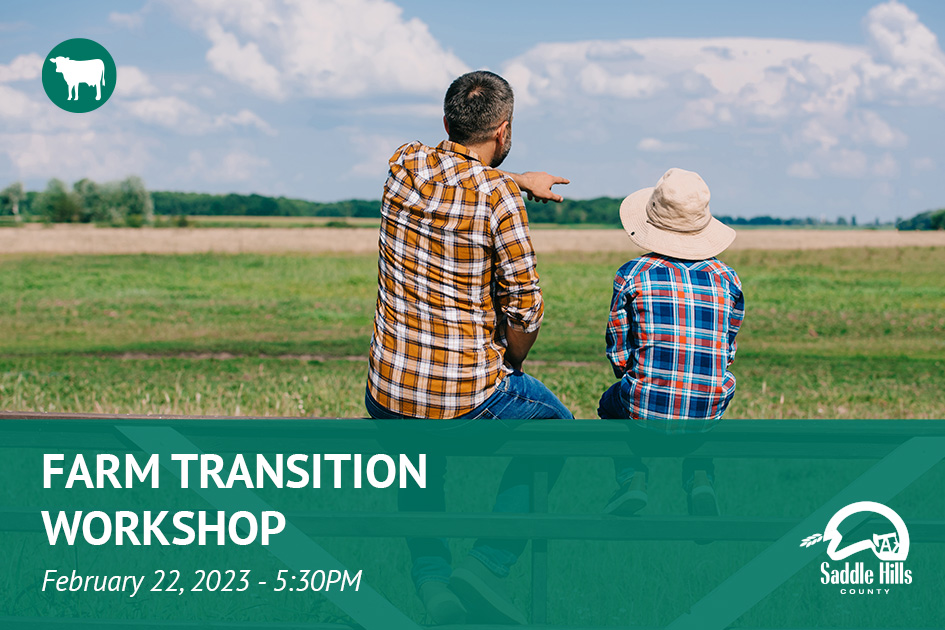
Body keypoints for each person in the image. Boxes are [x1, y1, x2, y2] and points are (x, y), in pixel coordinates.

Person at [364, 70, 572, 625]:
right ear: (503, 130)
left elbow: (458, 169)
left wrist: (518, 178)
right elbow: (525, 310)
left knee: (416, 459)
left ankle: (432, 580)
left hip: (387, 394)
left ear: (446, 122)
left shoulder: (402, 164)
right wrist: (513, 363)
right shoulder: (499, 200)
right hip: (465, 399)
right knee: (558, 430)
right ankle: (486, 564)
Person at [598, 168, 745, 519]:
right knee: (703, 399)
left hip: (643, 406)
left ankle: (632, 479)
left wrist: (642, 377)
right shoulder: (727, 279)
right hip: (707, 408)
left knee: (609, 405)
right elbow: (727, 352)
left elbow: (618, 353)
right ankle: (700, 481)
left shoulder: (632, 274)